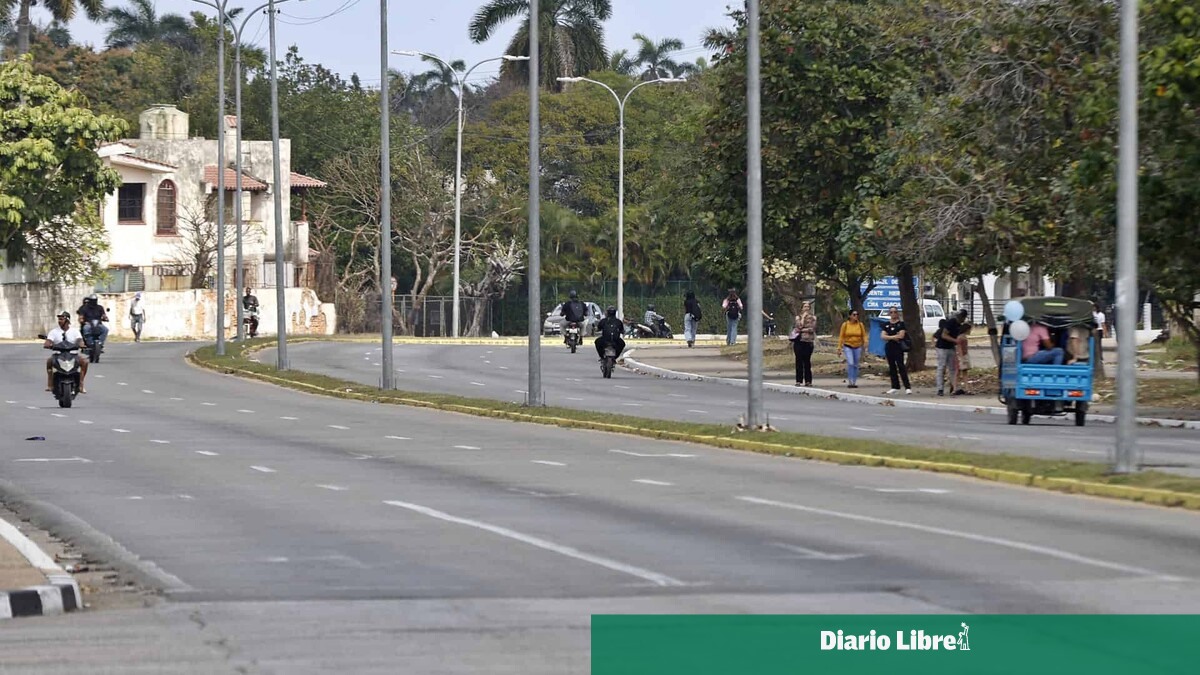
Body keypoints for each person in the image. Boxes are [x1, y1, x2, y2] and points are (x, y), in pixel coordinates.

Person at [44, 310, 88, 394]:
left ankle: (81, 384)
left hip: (73, 354)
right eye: (59, 319)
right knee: (49, 362)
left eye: (61, 319)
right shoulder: (53, 332)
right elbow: (48, 341)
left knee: (85, 362)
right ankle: (50, 384)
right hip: (58, 355)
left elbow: (79, 340)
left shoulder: (75, 331)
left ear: (67, 320)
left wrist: (81, 344)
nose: (59, 321)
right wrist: (48, 344)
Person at [880, 306, 912, 395]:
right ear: (889, 313)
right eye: (891, 312)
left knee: (901, 366)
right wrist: (893, 337)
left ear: (897, 313)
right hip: (889, 347)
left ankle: (907, 387)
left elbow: (901, 335)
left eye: (895, 312)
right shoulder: (886, 324)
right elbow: (883, 336)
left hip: (898, 347)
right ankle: (895, 386)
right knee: (892, 367)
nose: (893, 314)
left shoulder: (901, 324)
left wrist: (889, 336)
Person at [934, 309, 965, 396]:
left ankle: (953, 387)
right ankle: (940, 388)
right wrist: (955, 340)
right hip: (942, 347)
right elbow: (944, 335)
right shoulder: (951, 322)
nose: (962, 319)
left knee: (953, 368)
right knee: (941, 367)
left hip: (951, 347)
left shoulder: (959, 325)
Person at [837, 309, 866, 388]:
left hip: (857, 346)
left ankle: (854, 381)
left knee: (856, 364)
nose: (856, 316)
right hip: (848, 346)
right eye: (854, 315)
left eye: (857, 315)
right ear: (850, 316)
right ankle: (850, 381)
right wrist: (839, 347)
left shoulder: (860, 325)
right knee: (850, 363)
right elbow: (841, 336)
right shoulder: (845, 325)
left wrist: (865, 343)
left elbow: (864, 335)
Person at [790, 301, 817, 386]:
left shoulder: (813, 318)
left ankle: (808, 381)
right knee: (799, 361)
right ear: (802, 308)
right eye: (805, 306)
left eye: (808, 307)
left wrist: (802, 330)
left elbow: (812, 329)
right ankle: (798, 380)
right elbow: (798, 327)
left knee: (807, 361)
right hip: (799, 341)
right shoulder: (798, 317)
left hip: (808, 341)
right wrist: (803, 318)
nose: (806, 308)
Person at [954, 321, 973, 395]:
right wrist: (962, 358)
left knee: (964, 372)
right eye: (969, 330)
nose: (970, 331)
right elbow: (959, 348)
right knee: (958, 372)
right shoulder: (961, 337)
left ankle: (966, 388)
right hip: (961, 356)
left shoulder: (963, 337)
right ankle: (955, 388)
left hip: (964, 355)